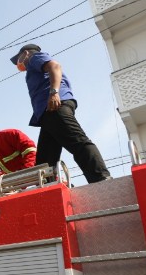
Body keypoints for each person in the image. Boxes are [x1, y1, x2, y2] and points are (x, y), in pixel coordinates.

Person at [11, 43, 111, 183]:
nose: (18, 62)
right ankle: (49, 188)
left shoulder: (34, 58)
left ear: (26, 53)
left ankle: (101, 178)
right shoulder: (32, 68)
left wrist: (54, 93)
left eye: (19, 58)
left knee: (77, 142)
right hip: (48, 113)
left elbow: (55, 66)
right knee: (45, 161)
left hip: (54, 106)